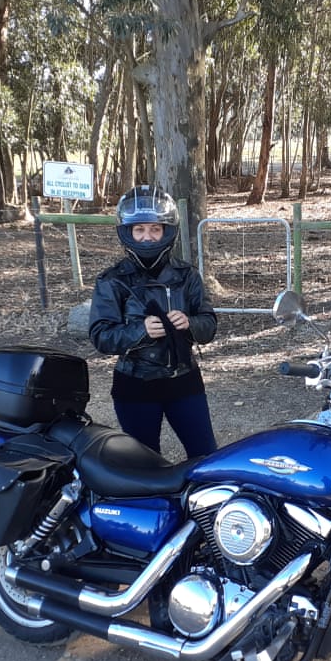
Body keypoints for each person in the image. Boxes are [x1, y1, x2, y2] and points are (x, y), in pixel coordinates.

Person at [88, 185, 218, 459]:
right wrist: (141, 330)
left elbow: (209, 324)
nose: (147, 237)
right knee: (144, 462)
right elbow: (101, 335)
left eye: (155, 229)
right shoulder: (113, 280)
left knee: (205, 456)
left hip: (184, 380)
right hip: (135, 384)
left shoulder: (187, 275)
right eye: (139, 230)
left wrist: (190, 323)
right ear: (128, 232)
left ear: (167, 231)